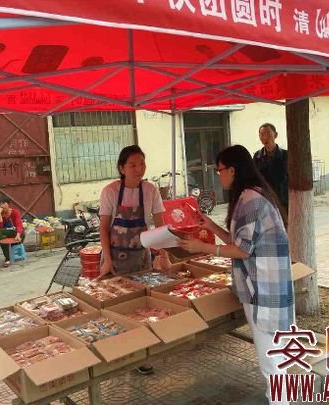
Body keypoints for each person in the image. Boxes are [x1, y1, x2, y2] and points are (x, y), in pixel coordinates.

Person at [178, 145, 294, 404]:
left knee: (270, 357)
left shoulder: (250, 199)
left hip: (264, 287)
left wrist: (202, 247)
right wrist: (211, 226)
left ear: (232, 170)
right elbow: (241, 241)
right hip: (265, 284)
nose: (218, 175)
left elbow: (242, 250)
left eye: (219, 170)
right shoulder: (249, 194)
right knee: (275, 353)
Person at [98, 145, 171, 376]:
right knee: (118, 307)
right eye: (133, 165)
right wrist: (107, 260)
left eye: (142, 163)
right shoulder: (110, 191)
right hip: (115, 258)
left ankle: (141, 355)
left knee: (141, 307)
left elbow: (160, 225)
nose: (139, 169)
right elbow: (103, 228)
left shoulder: (150, 190)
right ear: (122, 168)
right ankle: (121, 353)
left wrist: (163, 254)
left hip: (141, 258)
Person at [253, 123, 289, 214]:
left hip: (283, 203)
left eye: (268, 134)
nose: (265, 137)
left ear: (275, 135)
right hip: (264, 203)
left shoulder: (286, 156)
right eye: (262, 134)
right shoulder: (257, 157)